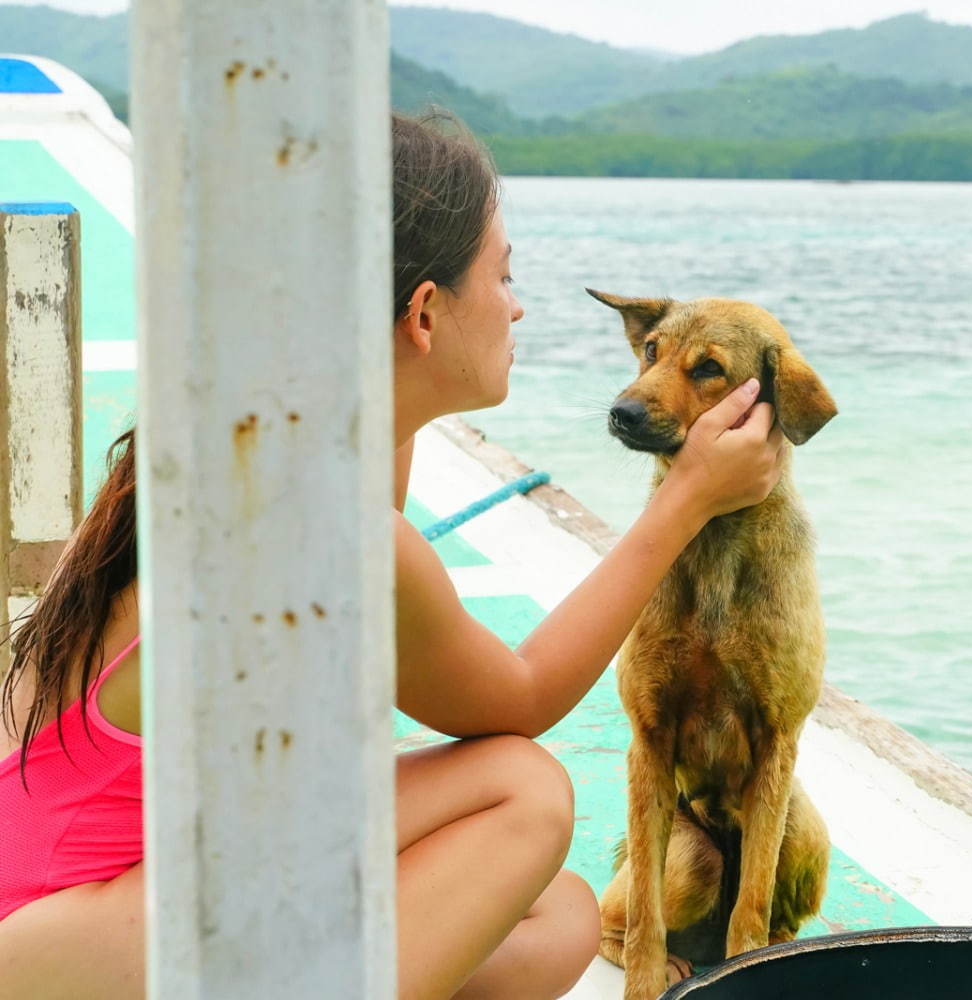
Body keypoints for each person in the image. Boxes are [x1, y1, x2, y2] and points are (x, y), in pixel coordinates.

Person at [0, 110, 785, 1000]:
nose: (518, 304)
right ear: (423, 312)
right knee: (521, 794)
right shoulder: (335, 523)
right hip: (55, 929)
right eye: (504, 275)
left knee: (557, 918)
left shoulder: (256, 441)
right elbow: (516, 701)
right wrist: (687, 500)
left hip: (65, 895)